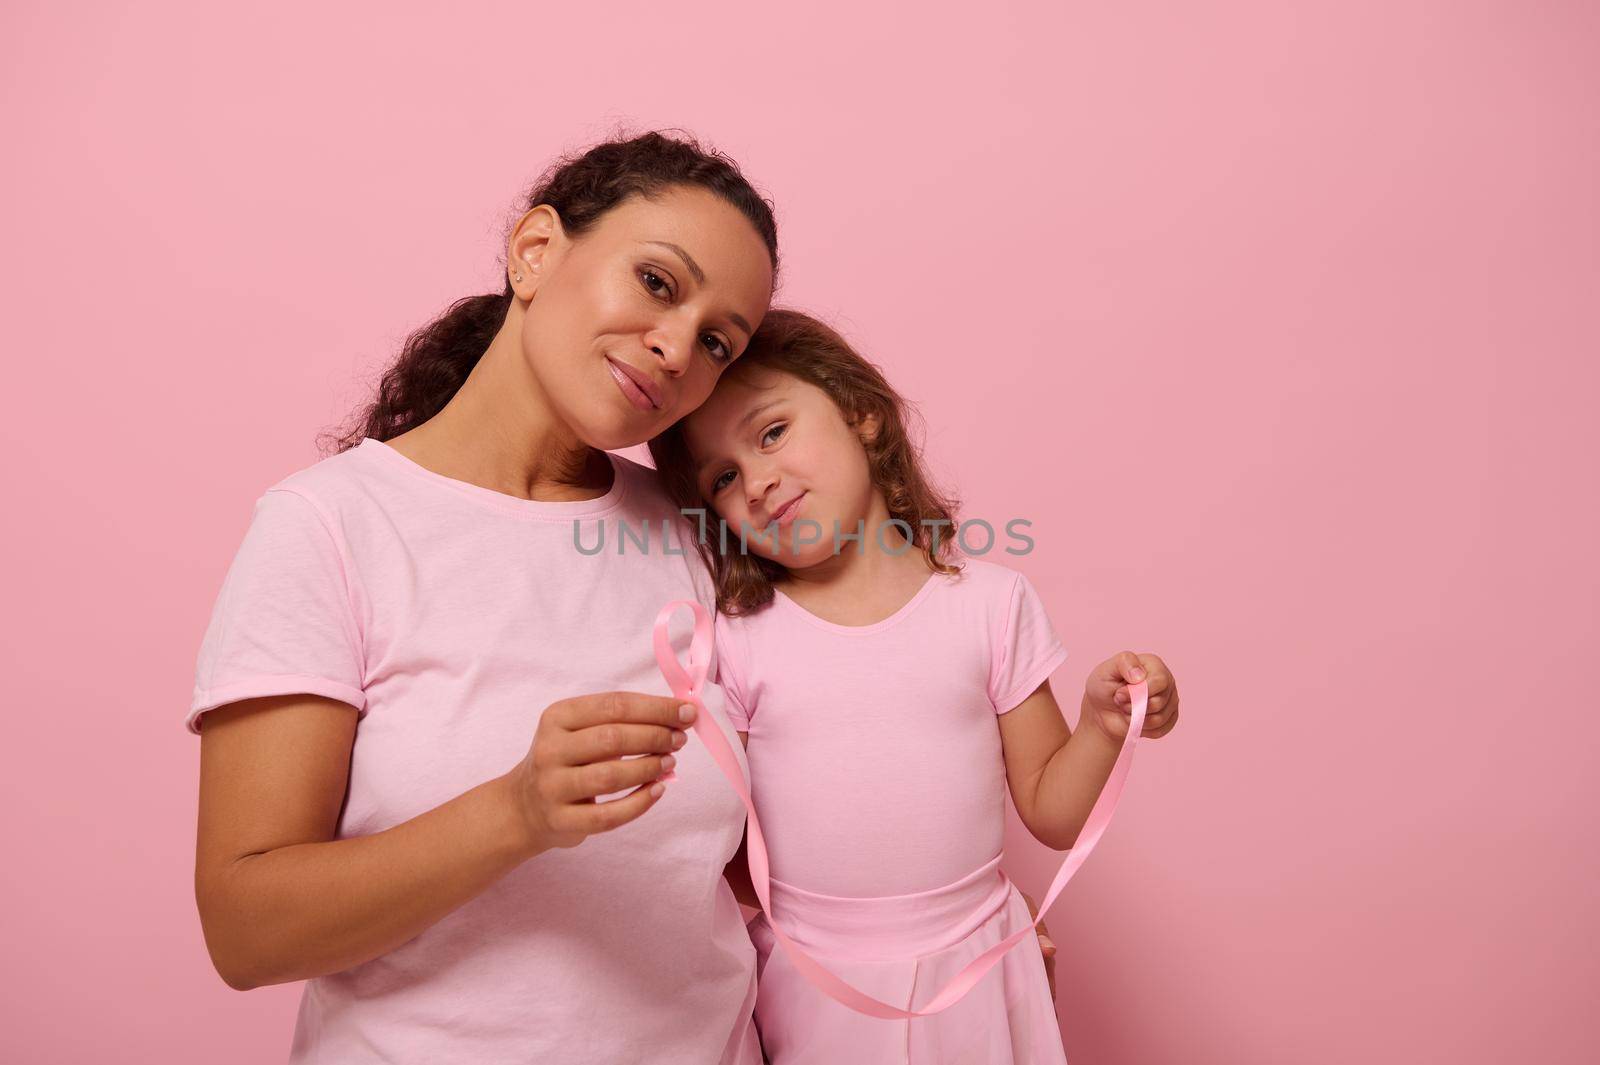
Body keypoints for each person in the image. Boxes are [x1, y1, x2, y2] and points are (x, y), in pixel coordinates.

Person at [188, 131, 781, 1063]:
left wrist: (958, 933)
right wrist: (515, 813)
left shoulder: (701, 535)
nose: (676, 349)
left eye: (717, 341)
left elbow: (779, 860)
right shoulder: (332, 526)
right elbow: (246, 931)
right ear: (536, 250)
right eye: (659, 283)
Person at [648, 309, 1181, 1063]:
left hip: (983, 969)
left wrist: (1101, 723)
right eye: (724, 478)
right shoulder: (736, 640)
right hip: (814, 987)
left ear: (862, 415)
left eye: (771, 433)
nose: (758, 482)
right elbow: (725, 845)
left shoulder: (990, 605)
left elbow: (1055, 813)